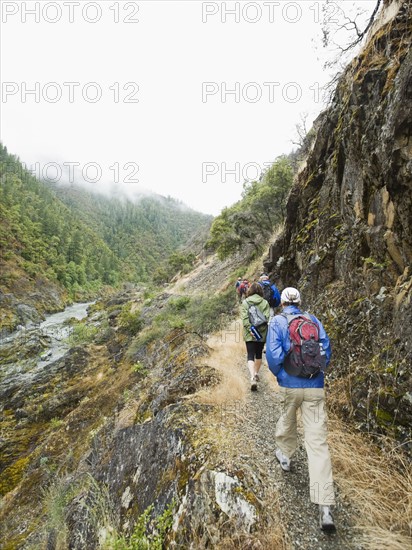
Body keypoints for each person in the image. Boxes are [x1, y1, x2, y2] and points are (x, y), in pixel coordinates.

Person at [266, 287, 336, 532]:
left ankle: (285, 456)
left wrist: (281, 376)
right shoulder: (313, 320)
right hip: (315, 386)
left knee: (288, 419)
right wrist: (316, 372)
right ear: (300, 302)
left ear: (282, 302)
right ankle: (325, 506)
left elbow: (273, 357)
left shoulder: (277, 321)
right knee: (317, 443)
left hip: (289, 384)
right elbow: (326, 351)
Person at [240, 282, 270, 391]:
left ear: (250, 291)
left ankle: (252, 377)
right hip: (261, 333)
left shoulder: (245, 302)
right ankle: (256, 373)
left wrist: (250, 329)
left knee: (250, 355)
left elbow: (244, 319)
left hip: (250, 334)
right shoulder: (265, 302)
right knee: (258, 355)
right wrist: (260, 330)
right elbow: (266, 318)